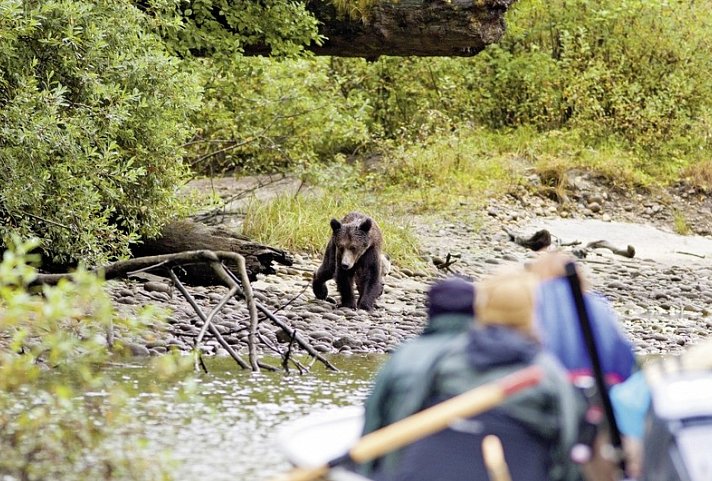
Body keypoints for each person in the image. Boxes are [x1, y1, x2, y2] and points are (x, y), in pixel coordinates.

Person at [360, 271, 586, 481]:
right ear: (533, 314)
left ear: (482, 308)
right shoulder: (549, 373)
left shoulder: (445, 357)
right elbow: (569, 450)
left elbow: (405, 416)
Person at [360, 276, 476, 444]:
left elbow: (374, 412)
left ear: (430, 311)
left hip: (402, 458)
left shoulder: (403, 355)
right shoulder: (488, 357)